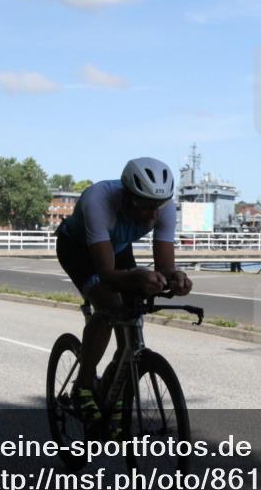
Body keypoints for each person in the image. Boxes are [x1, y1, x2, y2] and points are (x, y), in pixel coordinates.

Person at [55, 157, 192, 425]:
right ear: (128, 197)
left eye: (159, 207)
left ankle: (115, 388)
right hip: (78, 249)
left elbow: (165, 267)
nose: (154, 215)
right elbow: (107, 275)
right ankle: (83, 385)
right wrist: (137, 277)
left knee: (133, 308)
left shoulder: (164, 209)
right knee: (109, 304)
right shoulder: (98, 201)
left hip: (116, 246)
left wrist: (176, 278)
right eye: (147, 207)